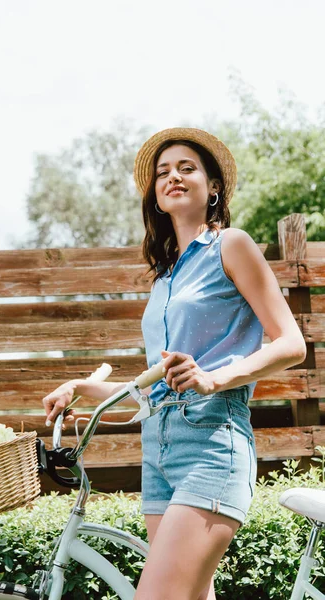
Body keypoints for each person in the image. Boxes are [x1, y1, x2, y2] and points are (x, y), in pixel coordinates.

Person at [43, 127, 306, 600]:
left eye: (187, 168)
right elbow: (154, 387)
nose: (174, 177)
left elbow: (292, 344)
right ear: (155, 195)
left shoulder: (232, 246)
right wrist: (81, 386)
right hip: (159, 456)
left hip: (211, 447)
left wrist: (214, 378)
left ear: (214, 187)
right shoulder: (163, 278)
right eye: (163, 172)